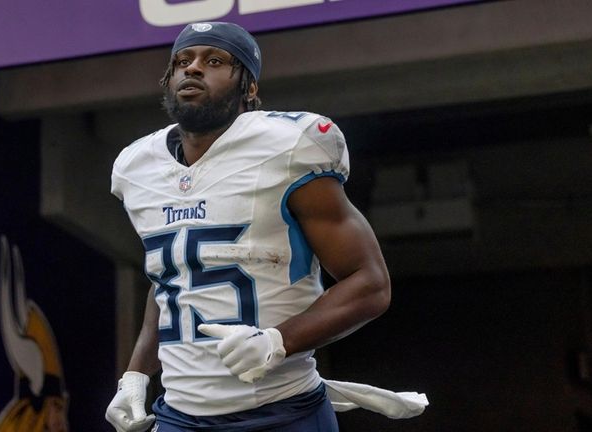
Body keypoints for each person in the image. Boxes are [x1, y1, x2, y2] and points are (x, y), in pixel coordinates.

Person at [107, 21, 391, 432]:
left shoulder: (289, 146)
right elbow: (171, 276)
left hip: (284, 410)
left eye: (215, 60)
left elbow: (370, 282)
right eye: (182, 61)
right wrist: (135, 375)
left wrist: (278, 341)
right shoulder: (137, 167)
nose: (193, 69)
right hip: (180, 417)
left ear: (250, 88)